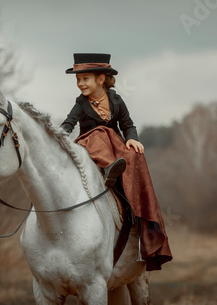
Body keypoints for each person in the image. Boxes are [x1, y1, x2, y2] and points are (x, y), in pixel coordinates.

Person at [61, 53, 172, 271]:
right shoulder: (80, 103)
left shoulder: (116, 100)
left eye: (85, 79)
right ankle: (108, 169)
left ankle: (142, 214)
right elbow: (68, 124)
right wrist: (59, 138)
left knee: (135, 155)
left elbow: (128, 125)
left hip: (116, 147)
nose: (80, 84)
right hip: (90, 146)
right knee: (101, 133)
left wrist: (132, 139)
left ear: (101, 79)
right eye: (78, 80)